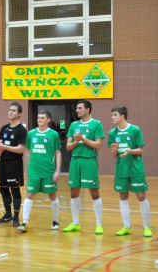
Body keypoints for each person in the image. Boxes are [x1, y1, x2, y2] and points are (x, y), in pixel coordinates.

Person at [108, 106, 152, 237]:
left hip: (135, 168)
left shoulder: (134, 130)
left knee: (141, 196)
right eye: (112, 115)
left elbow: (141, 150)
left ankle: (146, 227)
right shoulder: (112, 133)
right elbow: (113, 154)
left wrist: (130, 151)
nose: (112, 117)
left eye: (115, 115)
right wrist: (114, 149)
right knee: (123, 196)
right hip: (121, 169)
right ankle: (126, 226)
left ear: (122, 116)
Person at [63, 99, 105, 234]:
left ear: (87, 110)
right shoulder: (74, 125)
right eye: (76, 108)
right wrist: (76, 141)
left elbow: (98, 145)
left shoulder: (96, 124)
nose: (77, 110)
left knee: (93, 192)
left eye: (79, 108)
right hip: (75, 161)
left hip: (89, 160)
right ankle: (75, 223)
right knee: (74, 192)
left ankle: (99, 224)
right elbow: (68, 146)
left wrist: (83, 139)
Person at [17, 110, 61, 233]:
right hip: (34, 170)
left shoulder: (54, 135)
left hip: (48, 170)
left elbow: (58, 153)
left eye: (42, 117)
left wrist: (57, 171)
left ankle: (55, 220)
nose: (39, 119)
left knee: (52, 195)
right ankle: (25, 222)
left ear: (48, 120)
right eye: (38, 117)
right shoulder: (31, 134)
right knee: (30, 194)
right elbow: (27, 151)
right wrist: (26, 168)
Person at [0, 102, 27, 227]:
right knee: (3, 188)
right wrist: (1, 146)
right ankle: (8, 215)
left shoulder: (21, 130)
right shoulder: (4, 128)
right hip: (3, 162)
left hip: (15, 163)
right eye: (9, 110)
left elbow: (20, 149)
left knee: (15, 189)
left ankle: (16, 217)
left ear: (19, 113)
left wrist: (4, 146)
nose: (10, 112)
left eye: (13, 110)